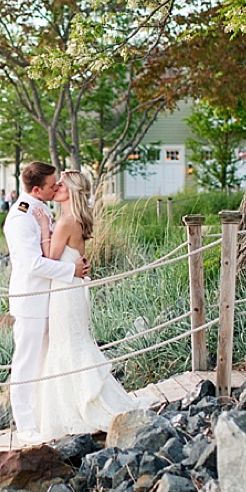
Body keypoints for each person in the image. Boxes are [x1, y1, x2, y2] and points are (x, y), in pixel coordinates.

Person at [30, 169, 158, 441]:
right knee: (72, 344)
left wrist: (42, 226)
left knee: (67, 345)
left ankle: (79, 408)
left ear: (70, 191)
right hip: (72, 289)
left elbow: (49, 260)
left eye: (61, 185)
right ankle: (79, 402)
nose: (56, 187)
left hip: (65, 292)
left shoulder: (66, 222)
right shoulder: (73, 220)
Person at [3, 161, 90, 446]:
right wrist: (71, 270)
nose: (56, 189)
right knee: (26, 363)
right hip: (31, 300)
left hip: (52, 299)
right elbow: (34, 264)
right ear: (37, 189)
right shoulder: (20, 217)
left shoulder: (41, 208)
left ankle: (44, 416)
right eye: (52, 185)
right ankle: (25, 426)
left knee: (44, 362)